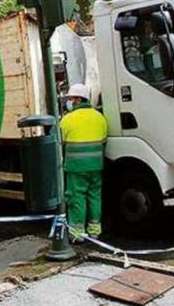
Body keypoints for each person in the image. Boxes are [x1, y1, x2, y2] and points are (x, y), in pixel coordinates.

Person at [59, 83, 108, 243]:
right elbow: (103, 141)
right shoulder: (100, 117)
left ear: (79, 99)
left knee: (76, 198)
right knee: (95, 196)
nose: (70, 102)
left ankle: (77, 232)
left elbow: (62, 142)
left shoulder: (67, 120)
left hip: (76, 168)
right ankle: (95, 230)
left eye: (72, 99)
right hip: (96, 166)